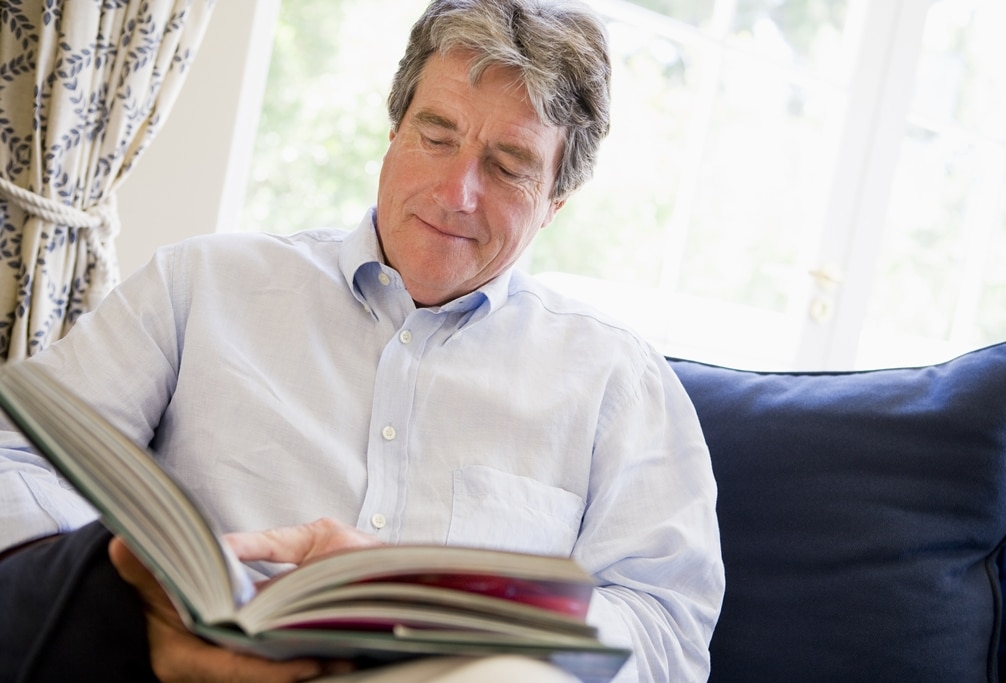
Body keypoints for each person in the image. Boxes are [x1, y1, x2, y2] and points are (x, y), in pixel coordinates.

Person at [0, 0, 724, 681]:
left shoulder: (621, 385)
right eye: (436, 135)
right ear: (393, 131)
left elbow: (667, 638)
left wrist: (429, 596)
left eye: (507, 167)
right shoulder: (201, 284)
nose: (455, 193)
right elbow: (16, 455)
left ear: (554, 204)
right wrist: (127, 601)